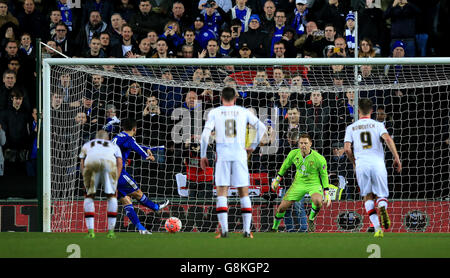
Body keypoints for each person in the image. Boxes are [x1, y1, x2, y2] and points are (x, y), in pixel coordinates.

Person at [200, 87, 266, 238]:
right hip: (239, 154)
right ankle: (247, 231)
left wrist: (203, 155)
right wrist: (253, 147)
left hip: (222, 155)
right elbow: (261, 127)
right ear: (235, 98)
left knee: (222, 191)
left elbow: (205, 135)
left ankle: (224, 231)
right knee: (244, 192)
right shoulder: (243, 111)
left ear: (221, 97)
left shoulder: (215, 112)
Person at [343, 98, 402, 238]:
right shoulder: (378, 125)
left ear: (358, 111)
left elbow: (346, 149)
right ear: (372, 111)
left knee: (367, 196)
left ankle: (377, 229)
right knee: (381, 195)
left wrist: (354, 162)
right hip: (377, 163)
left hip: (362, 164)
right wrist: (396, 157)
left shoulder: (351, 127)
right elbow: (388, 139)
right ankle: (382, 207)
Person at [112, 118, 170, 234]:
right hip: (117, 172)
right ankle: (155, 207)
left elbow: (135, 145)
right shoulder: (128, 138)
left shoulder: (117, 137)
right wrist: (147, 156)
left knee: (126, 201)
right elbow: (136, 147)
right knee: (137, 193)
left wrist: (147, 149)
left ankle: (141, 228)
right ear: (134, 129)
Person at [271, 133, 331, 232]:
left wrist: (327, 192)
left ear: (310, 144)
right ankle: (274, 228)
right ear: (298, 144)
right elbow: (285, 166)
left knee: (318, 201)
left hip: (313, 184)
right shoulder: (294, 154)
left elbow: (324, 175)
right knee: (282, 208)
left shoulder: (319, 158)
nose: (303, 145)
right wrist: (277, 180)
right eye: (301, 143)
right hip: (298, 184)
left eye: (305, 143)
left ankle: (311, 219)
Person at [79, 130, 123, 239]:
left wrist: (85, 178)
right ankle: (111, 232)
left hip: (91, 163)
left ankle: (91, 232)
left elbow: (82, 163)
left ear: (95, 138)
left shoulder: (87, 144)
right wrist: (115, 180)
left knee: (89, 196)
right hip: (109, 163)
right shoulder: (113, 145)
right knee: (111, 196)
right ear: (107, 138)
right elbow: (120, 162)